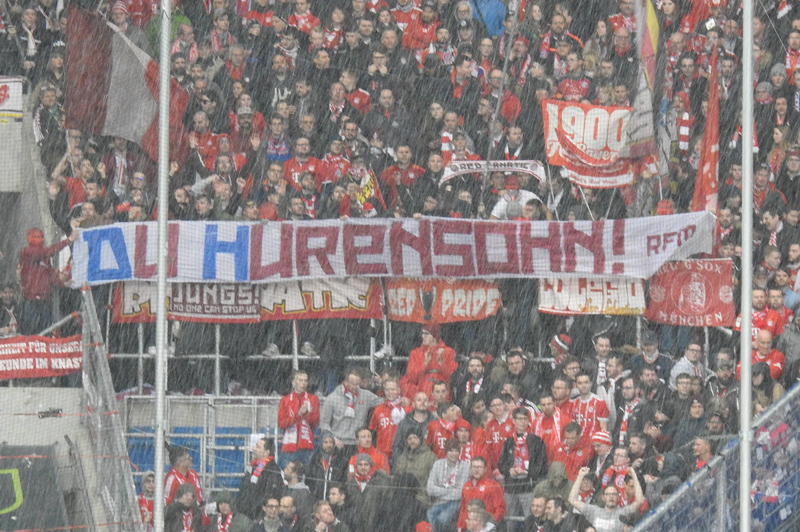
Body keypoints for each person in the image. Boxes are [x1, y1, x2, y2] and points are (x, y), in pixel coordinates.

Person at [18, 227, 77, 334]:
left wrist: (64, 283)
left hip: (44, 299)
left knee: (46, 330)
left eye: (40, 237)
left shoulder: (44, 256)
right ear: (29, 238)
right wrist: (68, 240)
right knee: (30, 330)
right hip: (30, 299)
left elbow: (50, 275)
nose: (38, 239)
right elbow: (47, 252)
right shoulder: (26, 252)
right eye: (35, 237)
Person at [498, 407, 548, 532]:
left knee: (530, 520)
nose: (522, 422)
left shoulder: (536, 441)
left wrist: (528, 472)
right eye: (519, 419)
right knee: (510, 520)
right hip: (511, 487)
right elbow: (501, 464)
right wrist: (509, 470)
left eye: (525, 419)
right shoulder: (509, 442)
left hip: (528, 486)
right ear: (513, 421)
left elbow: (542, 465)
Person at [320, 368, 383, 459]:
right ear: (345, 382)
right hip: (338, 444)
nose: (357, 387)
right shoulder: (332, 398)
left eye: (358, 384)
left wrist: (382, 384)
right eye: (354, 384)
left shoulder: (365, 395)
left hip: (357, 444)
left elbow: (385, 401)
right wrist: (332, 438)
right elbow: (324, 422)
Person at [569, 467, 644, 532]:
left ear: (618, 498)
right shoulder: (594, 510)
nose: (611, 496)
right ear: (603, 497)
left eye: (614, 494)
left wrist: (634, 476)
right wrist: (580, 476)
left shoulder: (623, 512)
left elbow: (639, 501)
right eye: (608, 494)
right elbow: (572, 500)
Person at [402, 325, 459, 399]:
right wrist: (425, 364)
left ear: (435, 336)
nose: (423, 336)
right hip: (422, 394)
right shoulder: (415, 353)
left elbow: (454, 378)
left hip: (442, 395)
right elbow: (412, 378)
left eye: (426, 333)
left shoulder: (448, 351)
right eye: (422, 333)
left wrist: (441, 364)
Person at [278, 370, 320, 467]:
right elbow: (281, 424)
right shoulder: (285, 400)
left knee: (306, 477)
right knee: (288, 477)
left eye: (305, 380)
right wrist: (298, 415)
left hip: (306, 445)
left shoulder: (313, 399)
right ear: (293, 382)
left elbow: (315, 422)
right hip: (289, 446)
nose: (303, 383)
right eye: (300, 380)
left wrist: (305, 414)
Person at [427, 438, 471, 532]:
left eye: (456, 451)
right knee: (430, 514)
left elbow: (459, 493)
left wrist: (440, 491)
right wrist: (450, 490)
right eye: (451, 450)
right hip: (440, 501)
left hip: (456, 502)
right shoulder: (438, 464)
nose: (454, 454)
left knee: (443, 518)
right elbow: (430, 489)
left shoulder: (465, 466)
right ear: (446, 452)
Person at [237, 437, 284, 520]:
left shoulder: (272, 470)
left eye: (258, 447)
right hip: (246, 514)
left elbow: (270, 495)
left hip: (259, 516)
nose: (254, 448)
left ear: (267, 452)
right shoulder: (252, 466)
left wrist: (256, 511)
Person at [456, 457, 506, 531]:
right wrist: (460, 525)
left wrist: (490, 524)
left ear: (485, 469)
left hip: (487, 525)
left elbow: (501, 508)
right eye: (474, 467)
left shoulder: (492, 485)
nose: (476, 470)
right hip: (470, 527)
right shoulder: (466, 486)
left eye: (479, 467)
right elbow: (463, 509)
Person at [369, 377, 412, 460]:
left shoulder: (408, 409)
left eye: (393, 389)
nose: (390, 392)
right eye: (387, 390)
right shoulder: (378, 409)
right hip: (382, 453)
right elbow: (373, 431)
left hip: (402, 453)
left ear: (398, 390)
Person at [306, 432, 349, 502]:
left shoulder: (342, 461)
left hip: (334, 501)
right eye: (325, 442)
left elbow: (343, 481)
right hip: (316, 499)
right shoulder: (314, 459)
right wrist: (314, 491)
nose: (329, 445)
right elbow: (309, 478)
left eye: (331, 442)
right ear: (321, 444)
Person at [393, 391, 436, 459]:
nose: (422, 402)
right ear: (413, 404)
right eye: (419, 400)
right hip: (408, 463)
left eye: (425, 400)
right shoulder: (404, 423)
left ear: (428, 404)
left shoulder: (435, 422)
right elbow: (397, 446)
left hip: (429, 462)